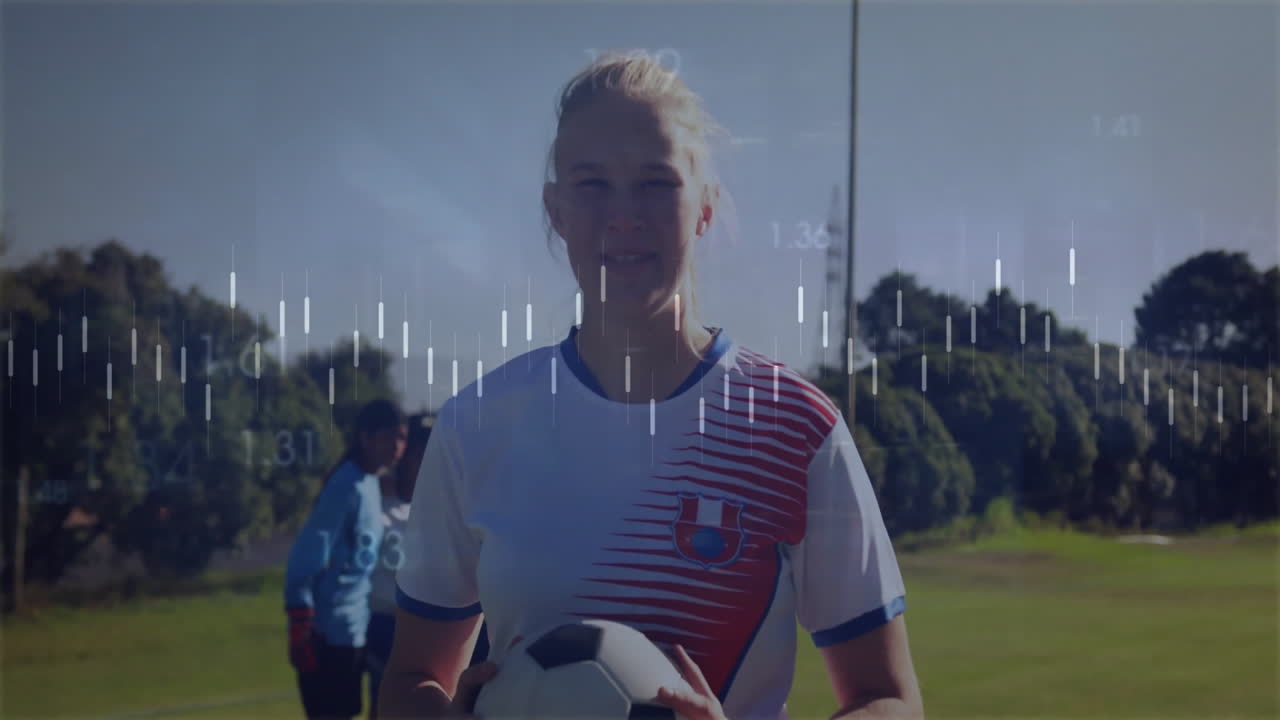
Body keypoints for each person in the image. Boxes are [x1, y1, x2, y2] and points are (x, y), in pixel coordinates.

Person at [380, 53, 923, 720]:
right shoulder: (477, 425)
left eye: (656, 182)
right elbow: (411, 677)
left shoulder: (794, 427)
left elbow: (889, 699)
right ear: (555, 209)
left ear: (704, 208)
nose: (624, 214)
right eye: (592, 184)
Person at [285, 398, 407, 720]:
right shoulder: (345, 485)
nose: (396, 446)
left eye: (402, 438)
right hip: (326, 635)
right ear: (365, 437)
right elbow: (308, 552)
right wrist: (300, 619)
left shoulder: (370, 484)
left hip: (354, 632)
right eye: (388, 437)